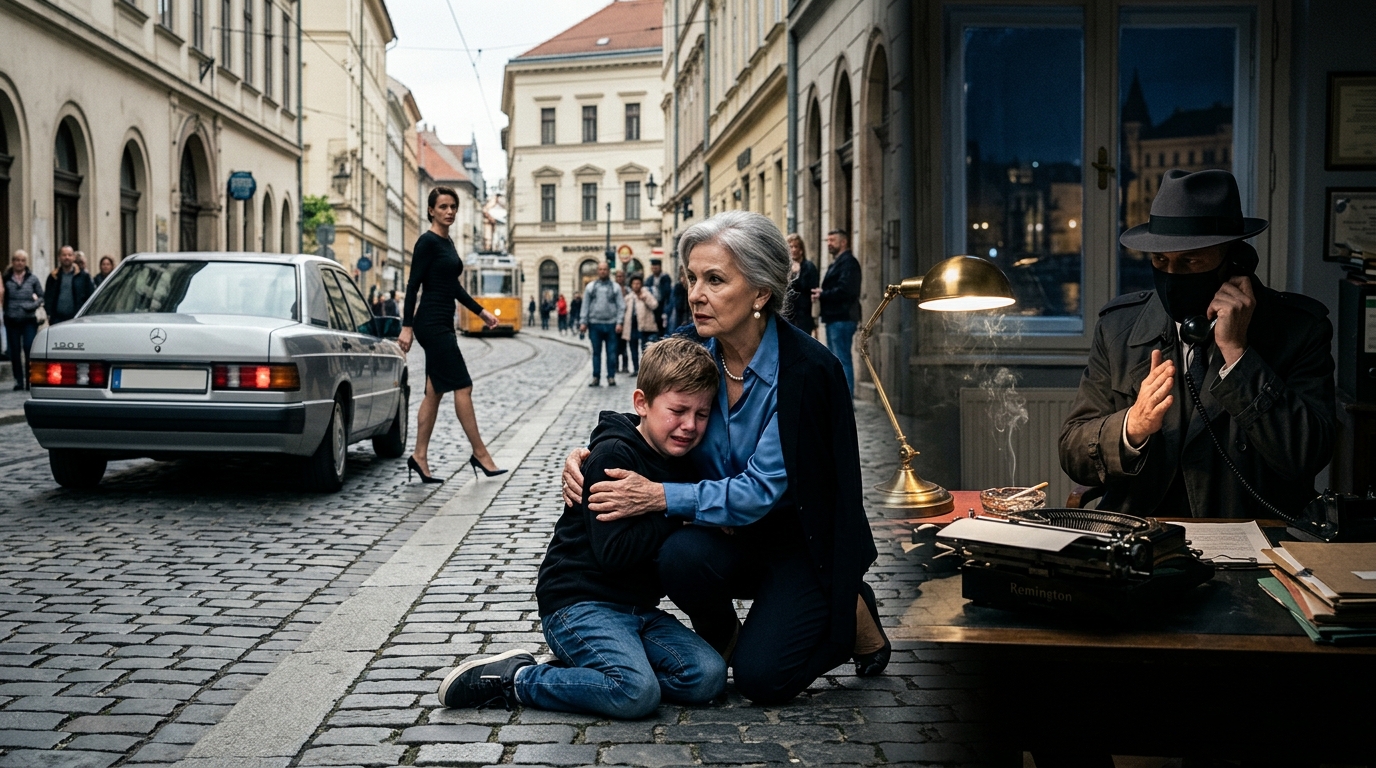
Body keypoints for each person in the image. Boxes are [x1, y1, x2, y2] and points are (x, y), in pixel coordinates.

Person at [563, 211, 888, 705]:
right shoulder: (689, 346)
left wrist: (657, 496)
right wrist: (591, 454)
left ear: (760, 293)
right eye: (693, 278)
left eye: (715, 279)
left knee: (762, 681)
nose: (696, 293)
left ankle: (849, 610)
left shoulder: (810, 371)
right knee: (678, 557)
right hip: (724, 533)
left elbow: (761, 490)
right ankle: (726, 637)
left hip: (798, 541)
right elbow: (649, 413)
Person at [438, 338, 726, 716]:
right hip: (578, 605)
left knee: (708, 676)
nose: (689, 425)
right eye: (678, 410)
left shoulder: (684, 459)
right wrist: (677, 511)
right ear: (641, 403)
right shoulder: (613, 456)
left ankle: (593, 675)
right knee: (635, 692)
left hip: (638, 610)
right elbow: (614, 554)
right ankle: (515, 679)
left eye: (702, 414)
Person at [1060, 169, 1336, 520]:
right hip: (1143, 531)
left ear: (1234, 262)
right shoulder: (1118, 329)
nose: (1173, 276)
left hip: (1252, 532)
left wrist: (1238, 357)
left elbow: (1306, 455)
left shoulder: (1300, 330)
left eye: (1190, 261)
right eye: (1161, 261)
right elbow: (1073, 450)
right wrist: (1132, 426)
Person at [397, 186, 508, 484]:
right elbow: (412, 286)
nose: (449, 211)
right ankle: (480, 453)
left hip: (444, 320)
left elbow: (453, 286)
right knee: (464, 386)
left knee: (434, 393)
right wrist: (406, 326)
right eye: (443, 206)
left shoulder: (447, 243)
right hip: (431, 324)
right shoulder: (427, 243)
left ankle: (419, 457)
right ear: (431, 210)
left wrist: (480, 311)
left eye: (453, 207)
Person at [812, 230, 861, 396]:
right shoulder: (838, 262)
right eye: (828, 240)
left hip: (843, 317)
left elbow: (846, 290)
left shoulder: (849, 263)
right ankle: (841, 398)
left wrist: (823, 294)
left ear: (843, 242)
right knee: (838, 359)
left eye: (832, 240)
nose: (829, 243)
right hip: (835, 317)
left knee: (842, 359)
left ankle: (846, 399)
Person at [4, 251, 44, 390]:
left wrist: (31, 306)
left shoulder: (32, 278)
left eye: (22, 260)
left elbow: (41, 296)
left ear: (25, 262)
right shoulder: (6, 278)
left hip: (28, 319)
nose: (19, 263)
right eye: (17, 260)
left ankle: (29, 379)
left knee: (28, 347)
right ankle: (18, 381)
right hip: (11, 319)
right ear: (13, 261)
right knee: (14, 351)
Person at [580, 262, 624, 387]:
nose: (603, 271)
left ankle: (611, 377)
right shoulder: (591, 287)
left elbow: (621, 306)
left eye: (605, 269)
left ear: (608, 271)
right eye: (600, 269)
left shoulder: (615, 287)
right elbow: (585, 305)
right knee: (596, 353)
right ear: (597, 271)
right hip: (594, 324)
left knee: (611, 353)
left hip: (611, 325)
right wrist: (583, 322)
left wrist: (619, 322)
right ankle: (596, 377)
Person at [45, 245, 95, 325]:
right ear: (59, 257)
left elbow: (90, 295)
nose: (67, 257)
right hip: (57, 319)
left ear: (74, 257)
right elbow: (48, 296)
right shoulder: (53, 276)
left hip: (78, 318)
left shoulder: (83, 276)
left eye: (69, 255)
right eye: (64, 255)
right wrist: (49, 313)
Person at [620, 274, 659, 375]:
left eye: (638, 283)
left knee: (644, 348)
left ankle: (645, 369)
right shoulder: (629, 297)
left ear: (641, 284)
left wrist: (645, 299)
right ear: (631, 285)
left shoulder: (646, 294)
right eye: (634, 284)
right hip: (632, 326)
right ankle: (636, 368)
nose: (636, 285)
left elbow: (654, 305)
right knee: (633, 348)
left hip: (645, 325)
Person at [783, 233, 819, 334]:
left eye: (796, 246)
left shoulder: (809, 267)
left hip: (804, 316)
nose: (793, 249)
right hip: (787, 314)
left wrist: (797, 275)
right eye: (791, 247)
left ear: (801, 249)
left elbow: (811, 288)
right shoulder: (784, 267)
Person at [647, 258, 673, 338]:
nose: (654, 269)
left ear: (660, 267)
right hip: (652, 307)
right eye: (653, 267)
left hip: (663, 306)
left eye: (656, 267)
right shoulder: (650, 279)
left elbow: (667, 293)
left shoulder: (665, 278)